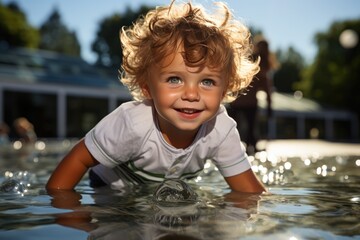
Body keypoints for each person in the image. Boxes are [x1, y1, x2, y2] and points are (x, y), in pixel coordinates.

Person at [46, 1, 266, 193]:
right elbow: (78, 159)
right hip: (110, 188)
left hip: (161, 189)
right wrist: (67, 212)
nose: (191, 94)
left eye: (207, 82)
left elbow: (249, 192)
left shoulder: (221, 129)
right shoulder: (132, 123)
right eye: (174, 79)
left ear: (225, 89)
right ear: (147, 88)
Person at [229, 38, 277, 154]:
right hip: (239, 102)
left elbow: (266, 86)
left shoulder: (263, 65)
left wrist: (269, 105)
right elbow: (266, 86)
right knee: (237, 129)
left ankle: (249, 147)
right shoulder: (252, 60)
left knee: (249, 129)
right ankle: (241, 149)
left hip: (246, 103)